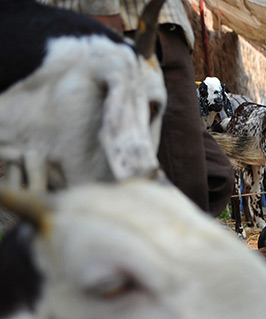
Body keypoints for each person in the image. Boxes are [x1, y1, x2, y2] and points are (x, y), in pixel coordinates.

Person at [40, 0, 234, 216]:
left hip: (165, 31)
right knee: (185, 193)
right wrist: (103, 11)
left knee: (215, 176)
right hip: (129, 29)